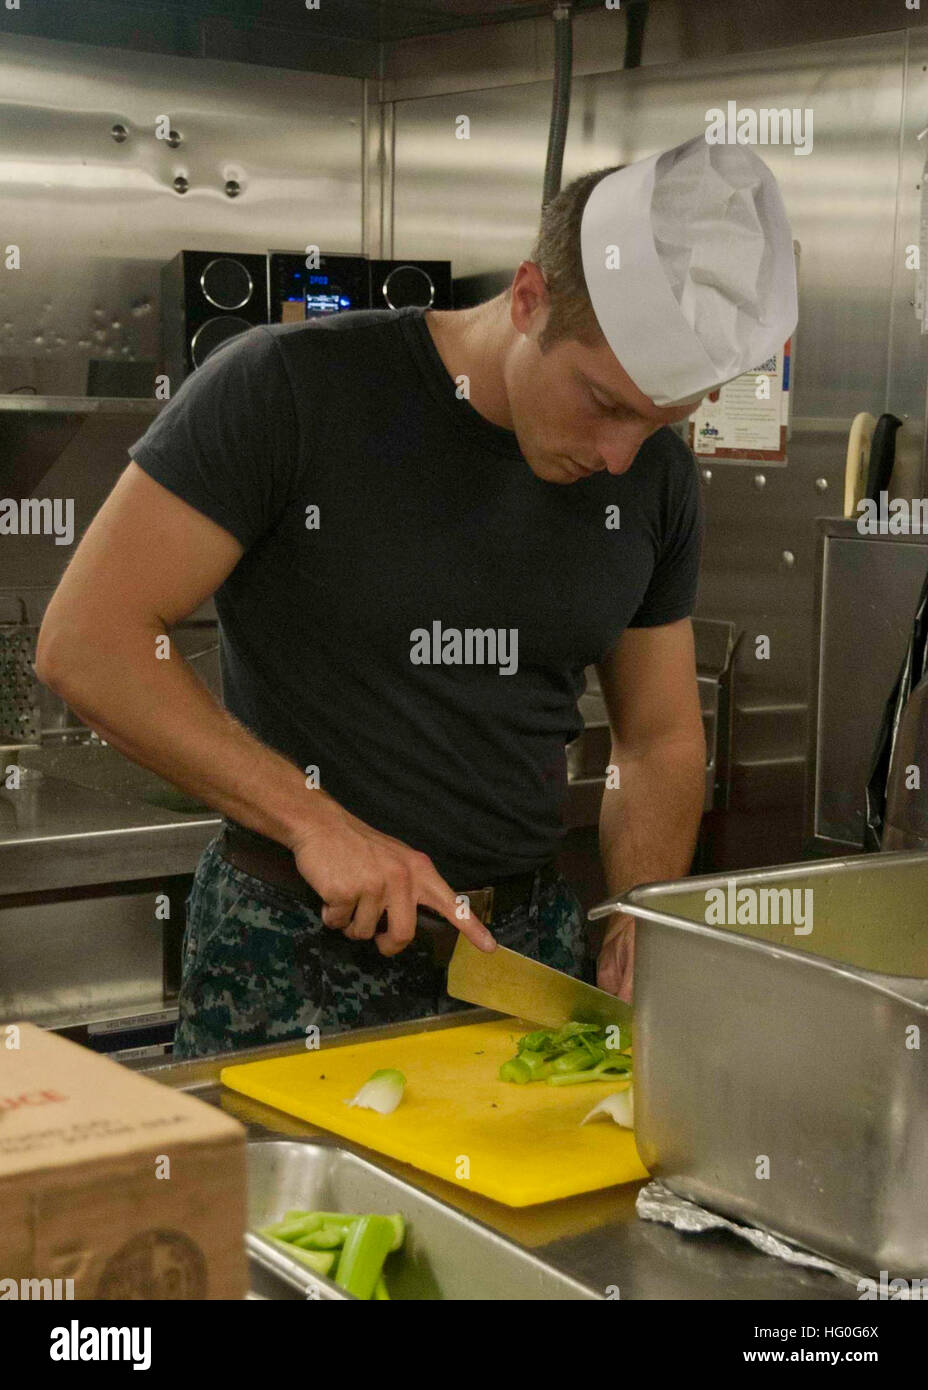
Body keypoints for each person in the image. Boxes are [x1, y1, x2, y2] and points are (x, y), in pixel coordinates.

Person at [36, 134, 796, 1059]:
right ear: (529, 298)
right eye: (604, 403)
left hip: (523, 964)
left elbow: (659, 735)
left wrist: (637, 910)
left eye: (660, 422)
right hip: (292, 956)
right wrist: (314, 820)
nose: (619, 459)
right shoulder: (287, 389)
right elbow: (87, 638)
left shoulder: (655, 476)